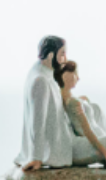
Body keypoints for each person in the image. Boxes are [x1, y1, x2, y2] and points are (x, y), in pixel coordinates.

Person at [18, 35, 76, 172]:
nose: (65, 59)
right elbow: (37, 122)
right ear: (51, 55)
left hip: (62, 142)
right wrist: (36, 157)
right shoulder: (41, 80)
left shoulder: (42, 73)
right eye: (62, 53)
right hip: (59, 149)